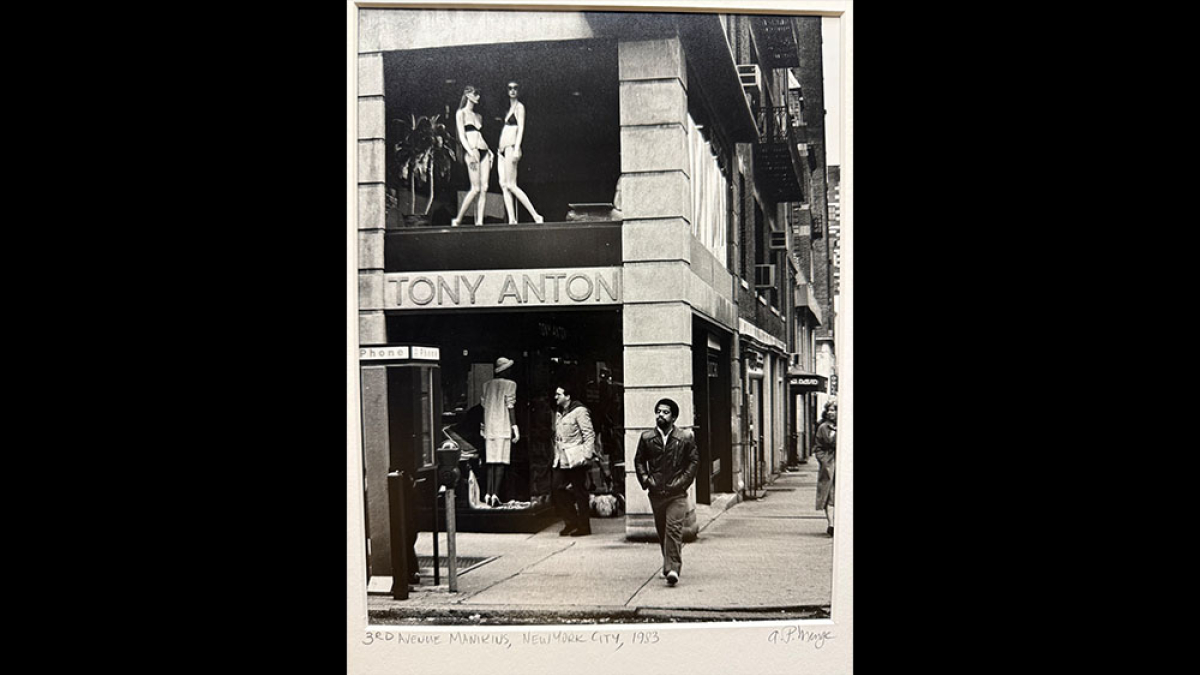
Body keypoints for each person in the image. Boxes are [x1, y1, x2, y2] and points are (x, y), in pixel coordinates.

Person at [634, 398, 699, 586]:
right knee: (662, 530)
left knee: (674, 529)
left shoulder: (685, 437)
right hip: (656, 493)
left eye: (665, 412)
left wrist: (681, 483)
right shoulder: (647, 438)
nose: (660, 415)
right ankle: (667, 563)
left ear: (674, 417)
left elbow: (693, 462)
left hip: (677, 494)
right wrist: (646, 480)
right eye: (658, 411)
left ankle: (673, 569)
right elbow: (639, 460)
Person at [496, 81, 544, 224]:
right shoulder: (508, 109)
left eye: (515, 88)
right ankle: (512, 219)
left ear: (519, 91)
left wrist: (517, 148)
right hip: (502, 149)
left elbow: (521, 128)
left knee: (511, 185)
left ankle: (536, 215)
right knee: (504, 185)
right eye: (509, 88)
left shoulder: (519, 107)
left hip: (511, 147)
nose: (512, 90)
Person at [552, 384, 595, 537]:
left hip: (576, 457)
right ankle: (571, 522)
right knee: (557, 489)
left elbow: (589, 434)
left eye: (559, 394)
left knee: (579, 492)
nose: (556, 397)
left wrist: (586, 456)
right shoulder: (559, 413)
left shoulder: (580, 411)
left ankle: (584, 526)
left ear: (568, 396)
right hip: (562, 458)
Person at [451, 85, 493, 227]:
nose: (478, 97)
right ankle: (458, 219)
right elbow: (462, 136)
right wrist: (469, 151)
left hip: (484, 150)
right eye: (476, 94)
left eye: (479, 94)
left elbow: (479, 135)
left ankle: (479, 221)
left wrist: (490, 151)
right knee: (475, 188)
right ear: (468, 95)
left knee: (484, 187)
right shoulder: (460, 114)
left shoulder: (478, 116)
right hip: (472, 151)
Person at [480, 357, 519, 507]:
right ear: (506, 370)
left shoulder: (486, 385)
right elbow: (510, 407)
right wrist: (515, 427)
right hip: (503, 426)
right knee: (501, 462)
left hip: (490, 427)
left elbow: (483, 408)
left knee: (491, 462)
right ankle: (495, 493)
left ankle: (488, 493)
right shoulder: (510, 385)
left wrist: (483, 427)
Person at [813, 399, 838, 536]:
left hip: (843, 464)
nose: (830, 413)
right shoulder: (823, 427)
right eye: (829, 410)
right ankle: (831, 525)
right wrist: (823, 460)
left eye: (833, 410)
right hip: (829, 465)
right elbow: (818, 447)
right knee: (829, 495)